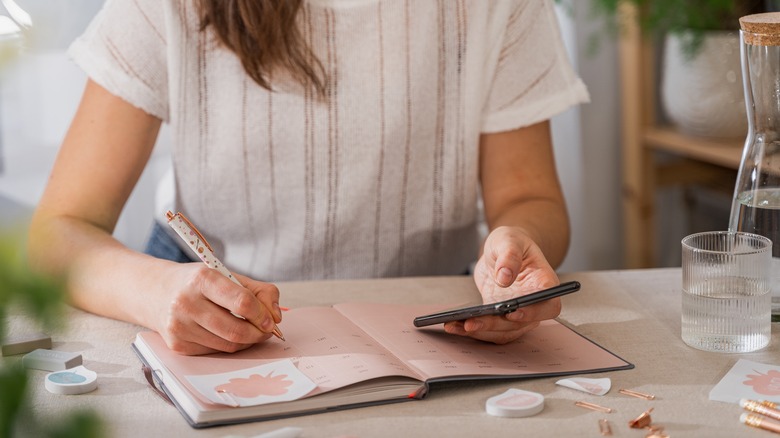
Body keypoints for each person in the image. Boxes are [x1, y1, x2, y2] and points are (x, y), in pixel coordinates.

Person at [28, 0, 589, 355]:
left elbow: (529, 197)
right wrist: (154, 292)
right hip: (199, 301)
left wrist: (517, 253)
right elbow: (58, 234)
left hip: (430, 316)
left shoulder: (501, 8)